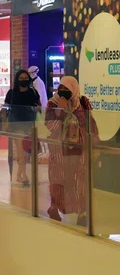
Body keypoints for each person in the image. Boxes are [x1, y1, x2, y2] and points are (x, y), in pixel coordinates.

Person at [45, 76, 97, 224]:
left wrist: (94, 144)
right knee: (58, 178)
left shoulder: (82, 102)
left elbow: (90, 123)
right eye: (60, 89)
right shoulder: (52, 103)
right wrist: (60, 110)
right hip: (59, 149)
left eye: (66, 90)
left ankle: (82, 212)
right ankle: (54, 207)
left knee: (79, 179)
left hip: (79, 148)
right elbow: (50, 125)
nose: (62, 92)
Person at [0, 69, 41, 187]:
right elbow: (5, 107)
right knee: (20, 151)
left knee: (27, 152)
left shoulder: (33, 92)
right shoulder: (12, 93)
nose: (23, 80)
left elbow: (39, 106)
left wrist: (36, 108)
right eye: (21, 78)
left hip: (30, 125)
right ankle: (24, 176)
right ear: (17, 80)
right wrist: (4, 122)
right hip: (16, 124)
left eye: (25, 78)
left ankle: (19, 174)